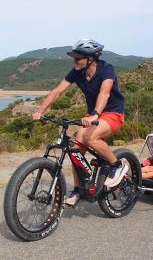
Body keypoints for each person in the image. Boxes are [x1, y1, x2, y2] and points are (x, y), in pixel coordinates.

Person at [32, 39, 127, 206]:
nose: (74, 61)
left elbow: (104, 93)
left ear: (90, 58)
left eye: (78, 58)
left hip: (112, 113)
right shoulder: (77, 71)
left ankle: (117, 165)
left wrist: (95, 114)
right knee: (76, 150)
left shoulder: (106, 69)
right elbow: (57, 91)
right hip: (92, 115)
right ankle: (78, 190)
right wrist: (41, 111)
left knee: (92, 137)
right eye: (73, 58)